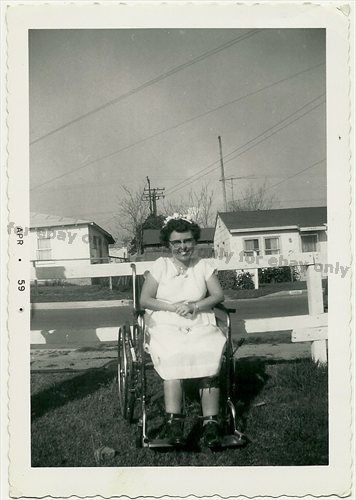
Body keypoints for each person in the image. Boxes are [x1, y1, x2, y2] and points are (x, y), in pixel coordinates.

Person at [140, 214, 227, 449]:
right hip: (165, 320)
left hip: (197, 317)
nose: (183, 247)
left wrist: (194, 306)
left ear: (194, 241)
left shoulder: (203, 266)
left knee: (209, 351)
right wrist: (173, 307)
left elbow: (218, 296)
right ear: (169, 245)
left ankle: (211, 424)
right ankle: (174, 423)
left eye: (187, 241)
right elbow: (144, 299)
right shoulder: (161, 266)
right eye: (176, 242)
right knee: (172, 353)